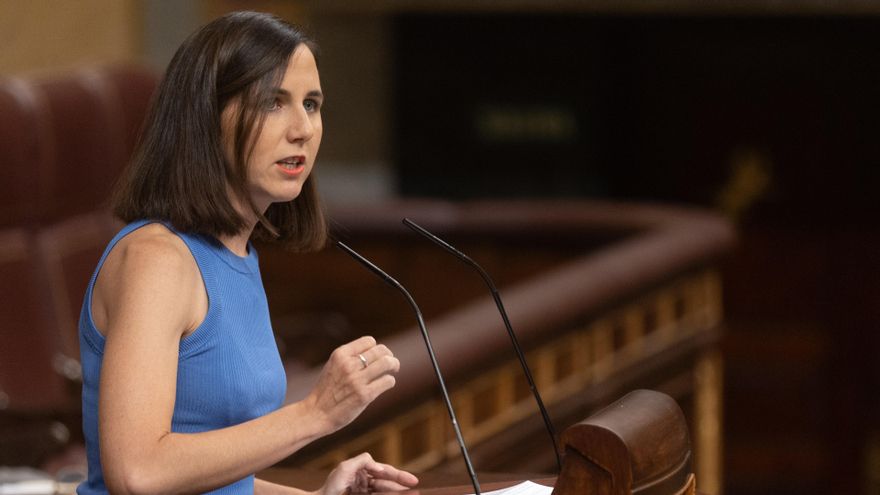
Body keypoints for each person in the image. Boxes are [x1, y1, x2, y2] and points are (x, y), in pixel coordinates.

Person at [77, 11, 419, 495]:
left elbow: (217, 482)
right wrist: (315, 413)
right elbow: (139, 473)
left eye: (312, 104)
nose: (303, 129)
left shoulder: (237, 253)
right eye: (273, 103)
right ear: (206, 119)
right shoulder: (158, 260)